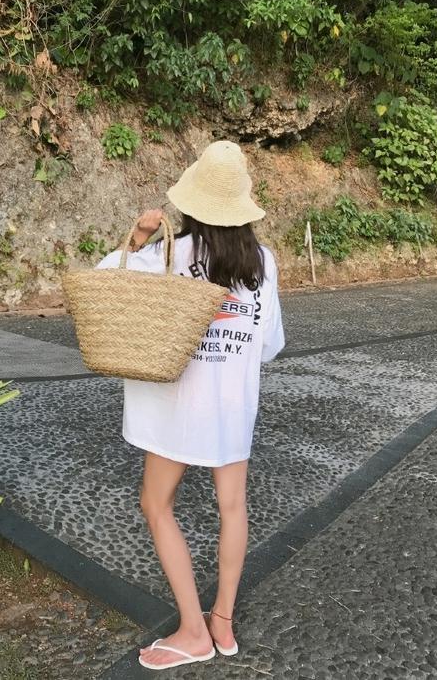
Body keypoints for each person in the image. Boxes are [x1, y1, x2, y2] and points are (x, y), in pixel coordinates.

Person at [96, 140, 285, 670]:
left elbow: (105, 287)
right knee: (233, 508)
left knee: (157, 506)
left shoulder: (170, 254)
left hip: (178, 404)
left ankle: (193, 630)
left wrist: (136, 238)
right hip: (231, 408)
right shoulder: (264, 263)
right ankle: (221, 621)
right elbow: (268, 343)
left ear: (195, 202)